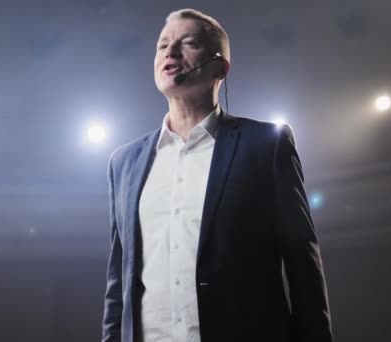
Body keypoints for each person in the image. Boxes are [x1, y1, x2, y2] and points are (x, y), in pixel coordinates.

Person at [102, 8, 333, 342]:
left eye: (188, 42)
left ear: (220, 67)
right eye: (163, 45)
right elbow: (118, 285)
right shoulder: (123, 162)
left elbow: (303, 268)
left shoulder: (266, 146)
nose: (170, 52)